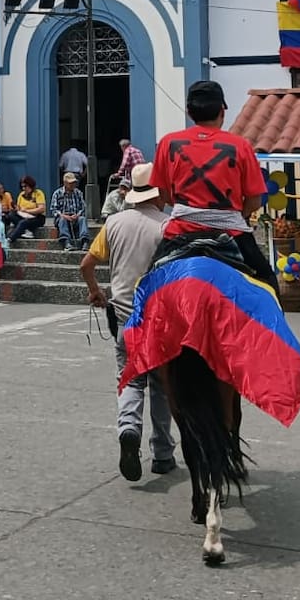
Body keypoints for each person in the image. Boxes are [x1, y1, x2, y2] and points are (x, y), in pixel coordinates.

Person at [81, 162, 175, 481]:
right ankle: (162, 454)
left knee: (130, 379)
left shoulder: (115, 223)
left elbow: (86, 264)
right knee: (162, 387)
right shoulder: (167, 226)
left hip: (125, 320)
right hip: (160, 323)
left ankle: (128, 430)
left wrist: (96, 292)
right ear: (158, 192)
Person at [150, 80, 278, 292]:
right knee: (268, 285)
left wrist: (191, 209)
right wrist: (239, 213)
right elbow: (254, 200)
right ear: (222, 111)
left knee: (147, 288)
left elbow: (164, 195)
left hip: (179, 232)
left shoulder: (168, 143)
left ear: (190, 112)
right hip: (232, 234)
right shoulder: (241, 146)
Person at [51, 172, 89, 252]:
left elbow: (83, 207)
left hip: (75, 216)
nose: (73, 185)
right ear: (65, 183)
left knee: (82, 219)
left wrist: (77, 215)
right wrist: (64, 215)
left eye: (74, 183)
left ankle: (85, 241)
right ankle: (66, 242)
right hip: (63, 217)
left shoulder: (78, 193)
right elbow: (54, 209)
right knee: (62, 220)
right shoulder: (57, 193)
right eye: (70, 183)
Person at [7, 177, 46, 244]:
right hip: (23, 215)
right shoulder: (21, 195)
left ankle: (10, 239)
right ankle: (26, 230)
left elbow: (41, 209)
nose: (24, 189)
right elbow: (19, 207)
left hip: (37, 217)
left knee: (23, 223)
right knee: (11, 214)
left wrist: (27, 211)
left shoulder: (38, 193)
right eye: (22, 187)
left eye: (25, 186)